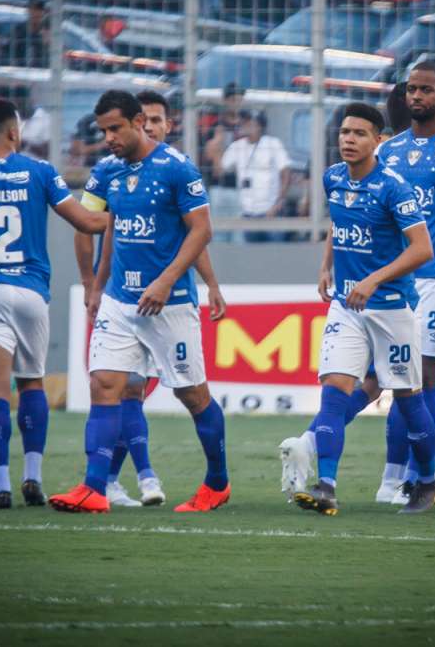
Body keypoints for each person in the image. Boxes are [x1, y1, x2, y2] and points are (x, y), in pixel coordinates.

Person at [280, 61, 435, 510]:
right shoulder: (387, 151)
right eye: (411, 91)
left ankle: (419, 473)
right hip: (373, 285)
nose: (417, 97)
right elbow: (347, 217)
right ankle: (422, 470)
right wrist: (328, 264)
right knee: (369, 381)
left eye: (426, 90)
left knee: (416, 378)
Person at [50, 90, 229, 514]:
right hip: (120, 301)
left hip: (169, 304)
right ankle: (95, 488)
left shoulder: (176, 168)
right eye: (103, 131)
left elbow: (201, 231)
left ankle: (218, 483)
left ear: (137, 122)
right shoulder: (106, 172)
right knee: (104, 385)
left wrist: (168, 280)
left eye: (115, 128)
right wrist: (95, 283)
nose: (108, 138)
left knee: (194, 396)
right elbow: (102, 227)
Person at [0, 99, 107, 509]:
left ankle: (1, 486)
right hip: (33, 293)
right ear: (15, 133)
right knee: (32, 383)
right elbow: (87, 222)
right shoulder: (41, 172)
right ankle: (33, 476)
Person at [292, 102, 435, 516]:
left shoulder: (394, 186)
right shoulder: (334, 178)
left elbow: (422, 249)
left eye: (358, 134)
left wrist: (374, 279)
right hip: (347, 307)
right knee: (334, 392)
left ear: (379, 141)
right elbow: (340, 224)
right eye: (344, 133)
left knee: (409, 400)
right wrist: (327, 265)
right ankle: (327, 486)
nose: (348, 140)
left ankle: (428, 481)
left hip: (392, 309)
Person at [217, 110, 292, 242]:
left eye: (250, 122)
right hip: (248, 214)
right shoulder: (237, 146)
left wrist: (278, 204)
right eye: (244, 122)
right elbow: (220, 170)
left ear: (260, 126)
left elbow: (286, 174)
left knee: (275, 255)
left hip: (271, 213)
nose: (245, 125)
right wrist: (217, 142)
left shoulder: (273, 144)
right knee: (251, 256)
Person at [201, 82, 245, 182]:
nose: (237, 104)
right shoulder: (216, 125)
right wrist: (217, 141)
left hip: (243, 182)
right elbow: (206, 155)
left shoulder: (246, 125)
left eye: (240, 100)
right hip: (218, 181)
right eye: (233, 100)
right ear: (225, 101)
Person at [13, 0, 48, 68]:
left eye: (40, 9)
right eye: (33, 9)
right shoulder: (18, 32)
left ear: (44, 12)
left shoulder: (47, 33)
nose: (36, 13)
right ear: (28, 10)